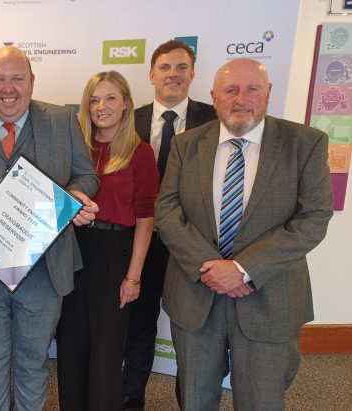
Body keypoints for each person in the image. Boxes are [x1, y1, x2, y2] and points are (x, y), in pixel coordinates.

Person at [155, 58, 333, 410]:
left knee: (261, 400)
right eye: (230, 90)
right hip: (196, 295)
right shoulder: (186, 144)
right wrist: (212, 267)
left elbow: (313, 217)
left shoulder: (306, 143)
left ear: (267, 93)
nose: (241, 99)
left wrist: (242, 269)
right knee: (194, 398)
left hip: (269, 296)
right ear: (214, 96)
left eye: (252, 89)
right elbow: (167, 210)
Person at [0, 46, 99, 411]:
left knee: (33, 363)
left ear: (32, 81)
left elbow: (87, 175)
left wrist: (75, 195)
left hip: (44, 272)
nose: (8, 88)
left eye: (17, 78)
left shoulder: (61, 121)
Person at [122, 39, 217, 411]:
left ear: (192, 74)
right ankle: (131, 402)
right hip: (141, 245)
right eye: (164, 67)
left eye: (181, 67)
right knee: (138, 330)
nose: (173, 75)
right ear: (151, 75)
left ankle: (189, 403)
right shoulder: (130, 120)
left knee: (192, 336)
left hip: (192, 247)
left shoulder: (215, 120)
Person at [56, 71, 159, 410]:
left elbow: (146, 220)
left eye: (111, 97)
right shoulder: (77, 148)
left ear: (127, 103)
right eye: (95, 99)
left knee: (106, 352)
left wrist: (133, 277)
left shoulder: (140, 153)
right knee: (71, 346)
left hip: (116, 255)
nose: (102, 106)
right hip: (73, 251)